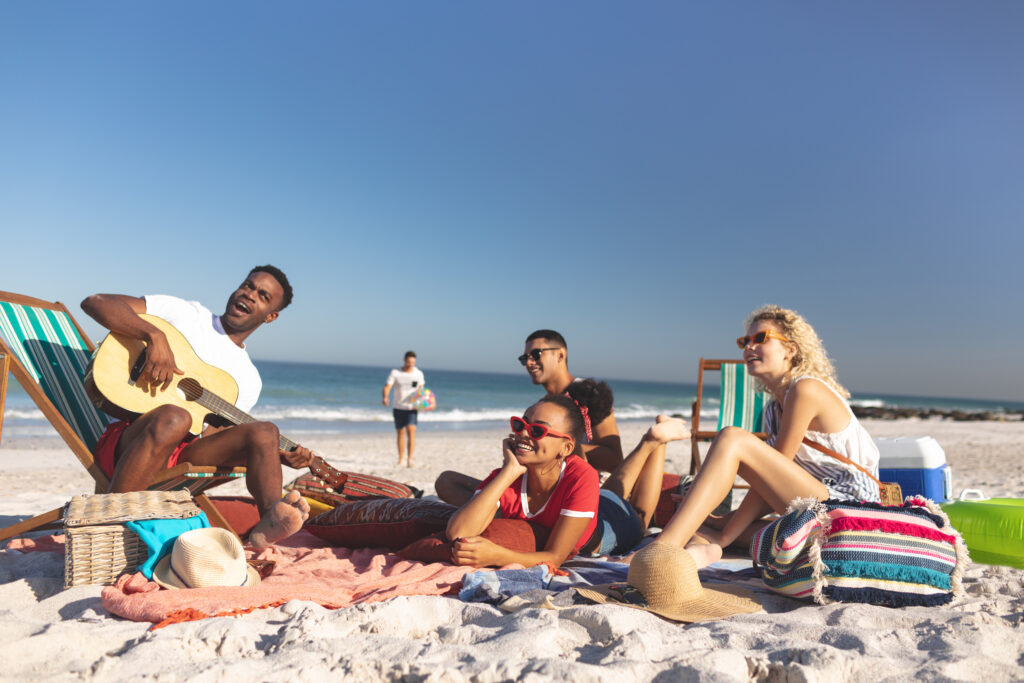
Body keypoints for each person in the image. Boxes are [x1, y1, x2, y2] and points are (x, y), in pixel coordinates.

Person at [81, 265, 313, 550]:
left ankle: (270, 519)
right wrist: (155, 336)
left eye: (262, 296)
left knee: (265, 431)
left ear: (271, 316)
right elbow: (95, 302)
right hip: (130, 445)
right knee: (175, 416)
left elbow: (211, 437)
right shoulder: (187, 314)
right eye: (248, 285)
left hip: (181, 457)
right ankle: (109, 525)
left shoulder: (248, 379)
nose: (249, 295)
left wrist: (273, 452)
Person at [655, 305, 881, 558]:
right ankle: (696, 555)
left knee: (732, 438)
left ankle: (662, 549)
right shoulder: (774, 410)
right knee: (708, 527)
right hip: (817, 511)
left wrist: (726, 533)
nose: (748, 347)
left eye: (760, 338)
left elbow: (775, 469)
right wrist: (723, 524)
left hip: (852, 512)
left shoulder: (806, 390)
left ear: (790, 349)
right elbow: (772, 482)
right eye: (745, 341)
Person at [446, 392, 698, 567]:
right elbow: (457, 531)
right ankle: (651, 440)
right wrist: (508, 472)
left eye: (537, 430)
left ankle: (655, 442)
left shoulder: (581, 475)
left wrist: (497, 555)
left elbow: (555, 557)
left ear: (566, 448)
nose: (523, 433)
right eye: (519, 424)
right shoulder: (508, 475)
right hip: (590, 502)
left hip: (607, 529)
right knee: (611, 493)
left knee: (640, 517)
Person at [435, 330, 623, 506]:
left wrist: (557, 448)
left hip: (572, 492)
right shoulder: (543, 406)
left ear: (560, 355)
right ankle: (499, 513)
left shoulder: (587, 394)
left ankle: (502, 516)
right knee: (447, 482)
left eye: (536, 354)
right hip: (535, 488)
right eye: (525, 358)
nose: (529, 363)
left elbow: (614, 459)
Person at [382, 351, 425, 467]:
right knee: (400, 433)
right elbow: (387, 387)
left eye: (412, 362)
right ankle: (401, 459)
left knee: (411, 431)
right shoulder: (396, 373)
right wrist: (385, 397)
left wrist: (425, 403)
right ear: (404, 360)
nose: (410, 364)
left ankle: (410, 460)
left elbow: (421, 391)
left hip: (412, 408)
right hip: (398, 407)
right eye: (408, 362)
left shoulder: (419, 374)